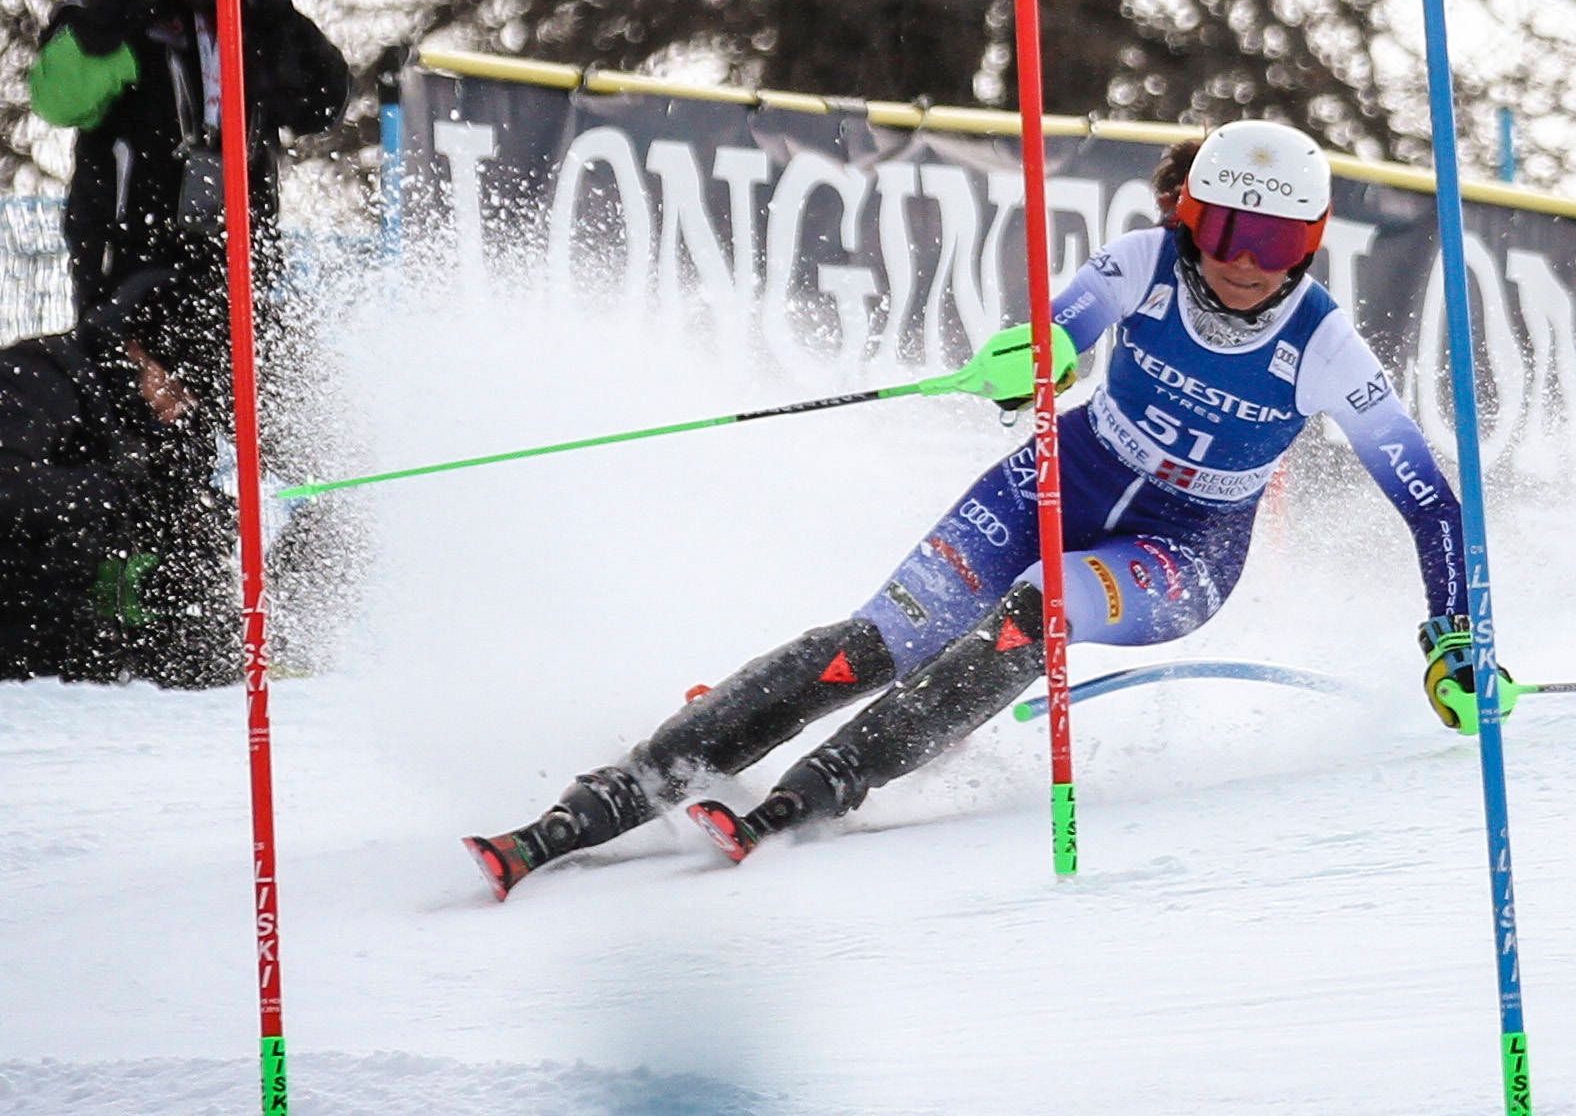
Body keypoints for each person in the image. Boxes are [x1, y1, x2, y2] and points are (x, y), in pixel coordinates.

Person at [465, 120, 1484, 900]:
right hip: (1054, 476)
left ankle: (817, 788)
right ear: (1188, 218)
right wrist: (1032, 358)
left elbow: (1430, 499)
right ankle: (615, 789)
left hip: (1185, 549)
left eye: (1275, 237)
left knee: (1031, 615)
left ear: (1310, 242)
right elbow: (1065, 330)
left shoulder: (1326, 347)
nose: (1246, 259)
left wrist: (1453, 635)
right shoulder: (1144, 263)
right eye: (1224, 228)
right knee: (871, 646)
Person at [26, 0, 350, 315]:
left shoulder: (257, 20)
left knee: (280, 370)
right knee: (136, 378)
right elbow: (60, 98)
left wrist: (268, 7)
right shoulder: (109, 12)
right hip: (128, 273)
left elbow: (322, 105)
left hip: (240, 275)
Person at [0, 266, 241, 688]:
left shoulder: (153, 421)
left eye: (191, 398)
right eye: (173, 387)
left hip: (98, 659)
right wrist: (114, 492)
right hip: (24, 650)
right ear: (134, 352)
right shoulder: (38, 377)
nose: (178, 407)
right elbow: (11, 487)